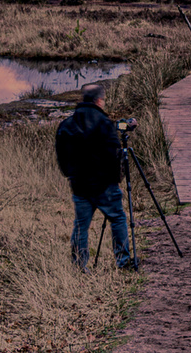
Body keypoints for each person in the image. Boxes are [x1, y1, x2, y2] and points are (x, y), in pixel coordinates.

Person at [55, 81, 136, 271]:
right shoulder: (105, 124)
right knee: (117, 218)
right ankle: (123, 262)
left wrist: (70, 175)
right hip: (104, 185)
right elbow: (115, 155)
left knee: (81, 226)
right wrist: (116, 179)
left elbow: (62, 156)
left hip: (79, 185)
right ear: (99, 101)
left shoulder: (67, 125)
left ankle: (79, 265)